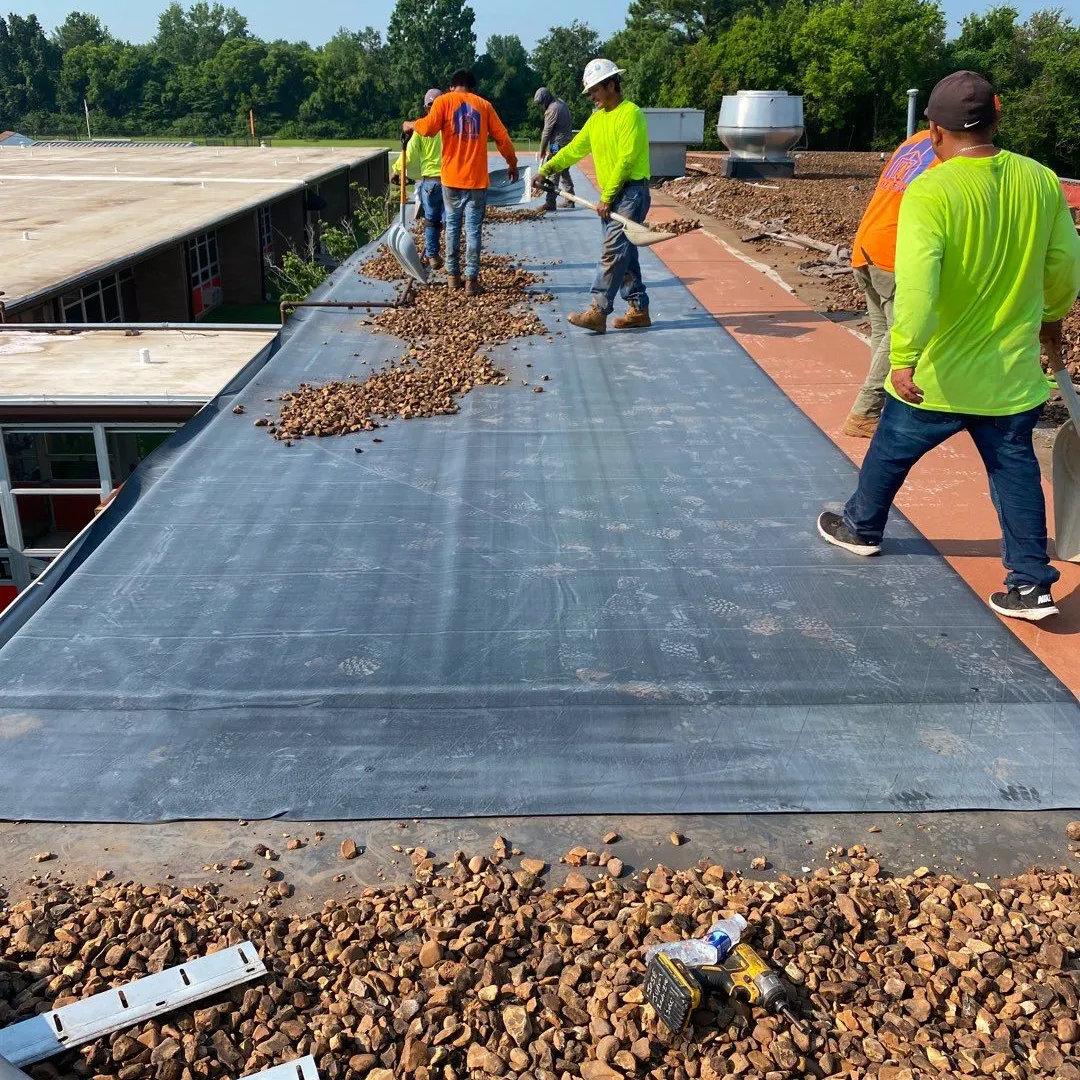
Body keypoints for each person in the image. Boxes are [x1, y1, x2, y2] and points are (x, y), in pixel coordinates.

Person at [817, 71, 1080, 622]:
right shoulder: (1040, 180)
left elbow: (918, 286)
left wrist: (905, 356)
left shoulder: (932, 189)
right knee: (1015, 473)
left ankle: (861, 528)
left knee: (890, 450)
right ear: (996, 118)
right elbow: (1063, 264)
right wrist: (1051, 317)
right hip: (1009, 378)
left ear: (934, 131)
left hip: (938, 376)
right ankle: (1031, 585)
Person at [534, 58, 652, 334]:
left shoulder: (630, 114)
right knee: (624, 253)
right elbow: (574, 149)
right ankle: (638, 309)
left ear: (611, 85)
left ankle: (598, 312)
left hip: (631, 193)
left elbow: (626, 161)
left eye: (595, 90)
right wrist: (546, 169)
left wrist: (607, 197)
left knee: (613, 252)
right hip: (613, 194)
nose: (591, 97)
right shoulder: (597, 119)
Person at [842, 129, 939, 438]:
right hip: (893, 255)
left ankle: (881, 407)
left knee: (883, 332)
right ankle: (865, 412)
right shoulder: (951, 158)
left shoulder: (916, 140)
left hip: (868, 244)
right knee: (899, 335)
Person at [404, 69, 518, 296]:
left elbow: (427, 128)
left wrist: (409, 124)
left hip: (451, 180)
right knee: (473, 230)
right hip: (476, 181)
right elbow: (502, 138)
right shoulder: (484, 106)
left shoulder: (444, 102)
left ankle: (452, 277)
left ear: (452, 86)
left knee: (453, 227)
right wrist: (512, 163)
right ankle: (471, 281)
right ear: (472, 88)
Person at [394, 89, 445, 269]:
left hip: (430, 182)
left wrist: (396, 170)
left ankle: (432, 255)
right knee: (451, 220)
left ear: (425, 108)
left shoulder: (421, 128)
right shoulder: (449, 127)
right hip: (450, 181)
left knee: (431, 220)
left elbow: (408, 155)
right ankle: (452, 259)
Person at [533, 86, 575, 211]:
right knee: (564, 171)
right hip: (567, 141)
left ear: (545, 99)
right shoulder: (561, 103)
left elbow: (547, 132)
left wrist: (542, 150)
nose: (541, 106)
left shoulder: (552, 109)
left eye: (541, 103)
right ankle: (570, 199)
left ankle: (550, 202)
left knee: (553, 171)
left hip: (557, 144)